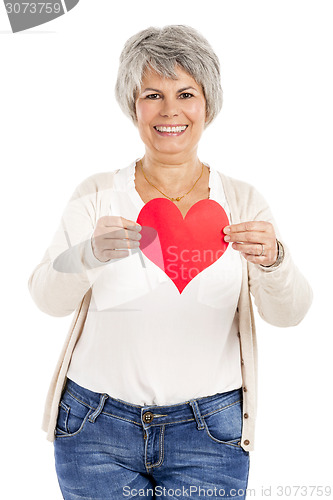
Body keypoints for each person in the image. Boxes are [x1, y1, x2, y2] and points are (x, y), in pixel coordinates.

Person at [28, 25, 312, 500]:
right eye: (152, 95)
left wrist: (274, 261)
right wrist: (89, 253)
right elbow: (44, 295)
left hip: (211, 433)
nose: (169, 111)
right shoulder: (97, 194)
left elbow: (291, 313)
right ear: (132, 105)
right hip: (94, 429)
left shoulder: (242, 201)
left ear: (208, 103)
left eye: (186, 93)